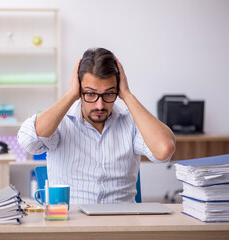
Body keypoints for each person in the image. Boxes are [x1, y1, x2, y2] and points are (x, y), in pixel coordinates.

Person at [18, 48, 176, 204]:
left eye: (108, 94)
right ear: (79, 90)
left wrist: (127, 95)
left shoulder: (131, 123)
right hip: (71, 224)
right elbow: (29, 141)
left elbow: (164, 150)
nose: (99, 105)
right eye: (90, 94)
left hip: (122, 223)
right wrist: (70, 95)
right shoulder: (60, 122)